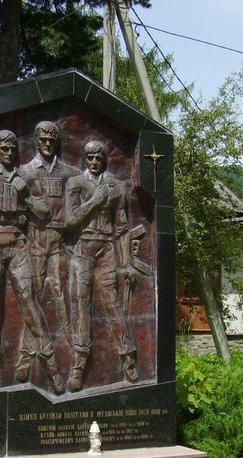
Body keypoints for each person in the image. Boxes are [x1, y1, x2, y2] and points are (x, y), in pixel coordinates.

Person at [0, 129, 65, 394]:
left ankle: (51, 364)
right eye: (4, 149)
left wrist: (27, 197)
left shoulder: (25, 175)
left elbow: (45, 213)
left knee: (29, 301)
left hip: (17, 241)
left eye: (13, 149)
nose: (9, 154)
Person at [64, 140, 138, 392]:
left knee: (113, 303)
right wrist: (95, 201)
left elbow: (122, 227)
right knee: (81, 304)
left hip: (106, 248)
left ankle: (127, 357)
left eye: (99, 158)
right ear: (85, 159)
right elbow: (70, 220)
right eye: (90, 158)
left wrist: (126, 263)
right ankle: (79, 363)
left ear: (105, 159)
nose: (95, 162)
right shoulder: (75, 183)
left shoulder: (117, 187)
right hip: (82, 248)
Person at [15, 121, 78, 382]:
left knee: (59, 292)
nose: (48, 144)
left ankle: (69, 352)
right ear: (36, 141)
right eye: (43, 140)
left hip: (58, 239)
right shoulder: (24, 171)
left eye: (52, 140)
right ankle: (26, 356)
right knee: (34, 296)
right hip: (35, 240)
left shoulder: (69, 173)